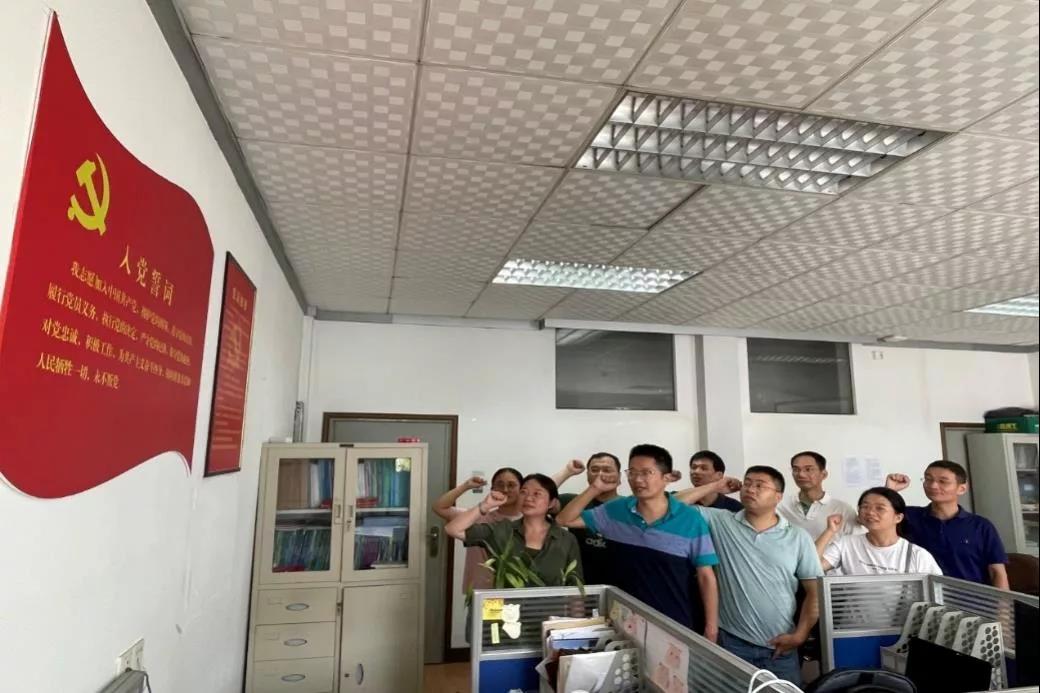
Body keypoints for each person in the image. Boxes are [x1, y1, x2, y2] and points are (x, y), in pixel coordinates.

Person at [674, 468, 823, 685]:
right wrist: (715, 486)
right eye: (747, 483)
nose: (750, 489)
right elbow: (672, 505)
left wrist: (800, 635)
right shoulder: (720, 520)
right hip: (731, 644)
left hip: (780, 647)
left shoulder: (797, 537)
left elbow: (815, 592)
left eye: (760, 485)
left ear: (778, 496)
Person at [556, 444, 720, 640]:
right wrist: (594, 488)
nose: (637, 479)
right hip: (622, 622)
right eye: (632, 472)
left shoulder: (691, 520)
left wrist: (711, 628)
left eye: (646, 473)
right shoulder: (616, 511)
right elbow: (564, 520)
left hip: (673, 623)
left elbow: (706, 577)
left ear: (667, 477)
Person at [445, 473, 582, 588]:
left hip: (552, 609)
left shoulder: (566, 539)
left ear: (551, 503)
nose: (528, 498)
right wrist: (485, 506)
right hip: (507, 610)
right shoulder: (502, 530)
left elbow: (576, 585)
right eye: (523, 492)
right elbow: (452, 529)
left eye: (537, 494)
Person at [886, 461, 1009, 588]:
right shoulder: (909, 517)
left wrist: (1003, 601)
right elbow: (877, 519)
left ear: (961, 488)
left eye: (943, 481)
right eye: (928, 479)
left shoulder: (980, 526)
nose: (933, 485)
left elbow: (997, 572)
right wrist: (890, 490)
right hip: (923, 596)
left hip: (970, 597)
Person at [433, 467, 524, 594]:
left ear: (521, 490)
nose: (505, 489)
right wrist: (466, 486)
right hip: (480, 591)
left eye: (511, 485)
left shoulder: (528, 523)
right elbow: (439, 507)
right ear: (492, 489)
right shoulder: (477, 516)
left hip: (514, 590)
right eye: (500, 484)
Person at [815, 487, 942, 576]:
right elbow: (813, 567)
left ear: (898, 517)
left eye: (880, 508)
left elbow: (936, 592)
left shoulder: (916, 554)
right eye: (865, 506)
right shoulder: (847, 544)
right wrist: (830, 531)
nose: (870, 512)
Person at [554, 452, 622, 585]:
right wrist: (567, 472)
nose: (600, 474)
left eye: (607, 470)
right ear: (587, 475)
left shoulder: (629, 505)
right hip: (580, 583)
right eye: (594, 470)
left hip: (621, 584)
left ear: (619, 476)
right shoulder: (572, 502)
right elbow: (539, 494)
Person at [778, 451, 861, 540]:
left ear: (824, 474)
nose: (801, 474)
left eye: (808, 469)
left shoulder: (843, 510)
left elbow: (856, 542)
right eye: (796, 470)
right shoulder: (780, 506)